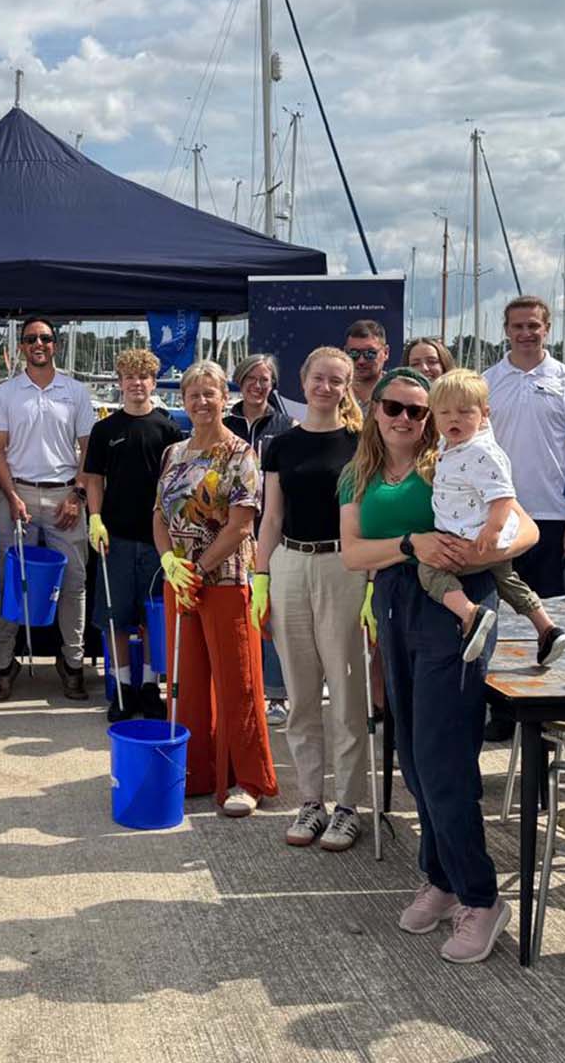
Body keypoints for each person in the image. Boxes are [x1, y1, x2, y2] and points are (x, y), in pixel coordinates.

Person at [339, 366, 538, 964]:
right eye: (393, 407)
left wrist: (485, 551)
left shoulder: (454, 459)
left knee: (444, 758)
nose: (405, 418)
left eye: (417, 410)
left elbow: (523, 527)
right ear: (374, 410)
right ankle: (442, 878)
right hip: (396, 605)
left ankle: (481, 896)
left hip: (452, 607)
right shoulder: (358, 473)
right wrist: (411, 544)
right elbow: (351, 553)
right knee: (417, 763)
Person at [253, 347, 366, 850]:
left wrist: (372, 583)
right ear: (303, 380)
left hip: (344, 564)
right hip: (290, 565)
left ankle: (347, 805)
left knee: (345, 693)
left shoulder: (363, 445)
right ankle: (310, 801)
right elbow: (271, 517)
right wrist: (260, 576)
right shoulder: (280, 446)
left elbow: (371, 518)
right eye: (318, 378)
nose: (326, 387)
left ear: (346, 386)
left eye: (336, 380)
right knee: (299, 695)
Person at [153, 359, 277, 815]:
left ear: (226, 398)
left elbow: (242, 526)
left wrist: (200, 569)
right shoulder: (173, 452)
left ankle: (247, 779)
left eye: (210, 393)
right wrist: (170, 561)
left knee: (237, 682)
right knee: (185, 683)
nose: (202, 402)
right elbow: (159, 515)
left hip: (223, 581)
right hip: (179, 582)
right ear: (182, 401)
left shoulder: (242, 453)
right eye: (193, 395)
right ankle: (196, 771)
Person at [0, 317, 97, 702]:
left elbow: (89, 449)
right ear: (21, 346)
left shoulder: (77, 391)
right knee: (9, 583)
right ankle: (3, 664)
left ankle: (73, 663)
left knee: (74, 584)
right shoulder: (6, 392)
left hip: (65, 495)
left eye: (45, 338)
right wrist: (11, 496)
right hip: (17, 497)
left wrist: (77, 495)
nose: (38, 344)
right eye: (31, 338)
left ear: (56, 345)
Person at [420, 370, 565, 664]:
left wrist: (492, 531)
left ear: (484, 414)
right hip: (481, 538)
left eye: (464, 412)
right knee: (506, 579)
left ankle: (470, 615)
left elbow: (503, 497)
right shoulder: (452, 445)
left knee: (430, 571)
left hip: (475, 538)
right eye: (444, 412)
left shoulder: (482, 452)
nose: (453, 419)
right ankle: (547, 628)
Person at [83, 348, 180, 722]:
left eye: (144, 378)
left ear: (153, 383)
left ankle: (149, 687)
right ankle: (122, 687)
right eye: (129, 378)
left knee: (153, 617)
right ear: (120, 383)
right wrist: (95, 518)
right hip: (116, 538)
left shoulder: (169, 429)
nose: (137, 384)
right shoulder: (105, 429)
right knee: (115, 618)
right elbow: (93, 479)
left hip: (158, 540)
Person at [483, 298, 565, 600]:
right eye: (518, 326)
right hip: (498, 514)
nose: (525, 333)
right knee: (500, 611)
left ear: (547, 328)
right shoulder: (486, 382)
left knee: (555, 609)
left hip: (554, 516)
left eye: (533, 325)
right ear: (506, 330)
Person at [225, 353, 295, 726]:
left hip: (272, 533)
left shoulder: (285, 425)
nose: (257, 384)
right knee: (236, 613)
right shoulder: (224, 422)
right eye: (250, 377)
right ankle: (237, 688)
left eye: (264, 378)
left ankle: (276, 693)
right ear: (239, 380)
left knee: (272, 614)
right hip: (229, 533)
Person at [344, 319, 389, 412]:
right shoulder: (336, 393)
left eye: (370, 353)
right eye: (354, 353)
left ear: (386, 352)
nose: (361, 361)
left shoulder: (398, 392)